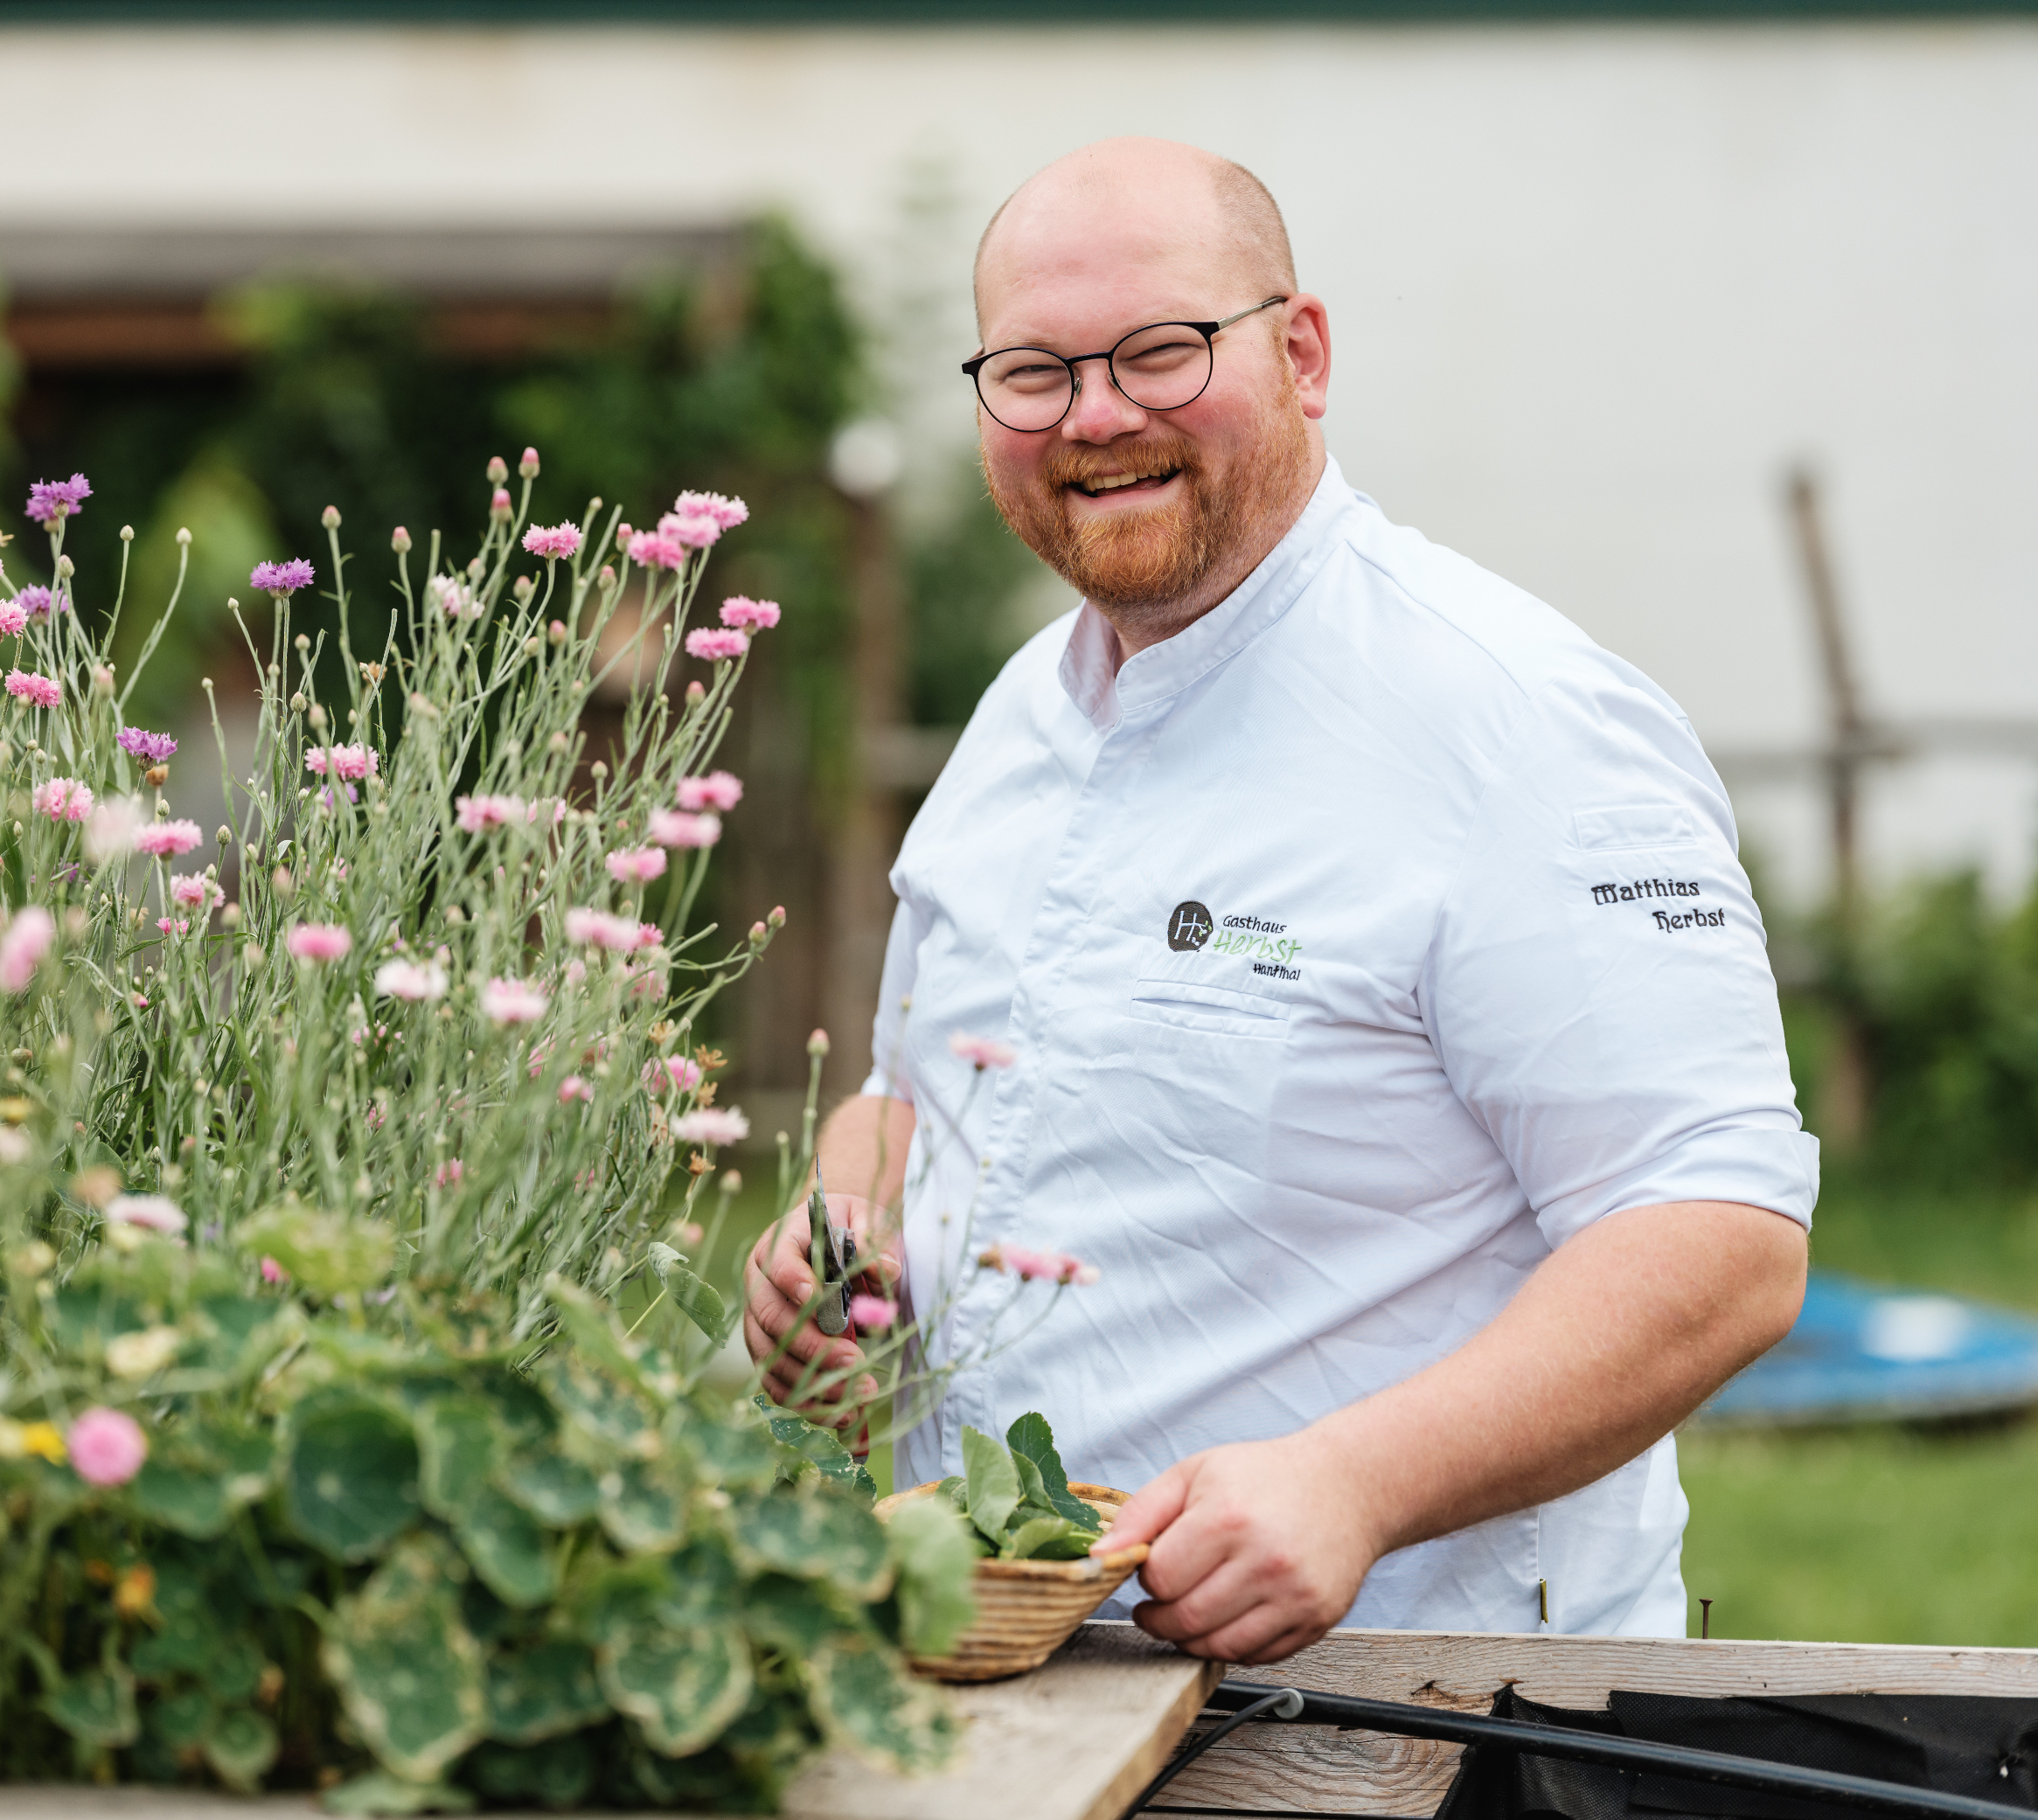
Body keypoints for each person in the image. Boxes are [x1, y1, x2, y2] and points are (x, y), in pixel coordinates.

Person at [741, 136, 1814, 1664]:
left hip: (1411, 1708)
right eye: (1035, 371)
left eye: (1161, 350)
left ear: (1301, 354)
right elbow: (913, 1093)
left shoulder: (1517, 719)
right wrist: (843, 1229)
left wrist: (1357, 1483)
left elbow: (1721, 1234)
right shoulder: (1018, 718)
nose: (1095, 415)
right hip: (1000, 1678)